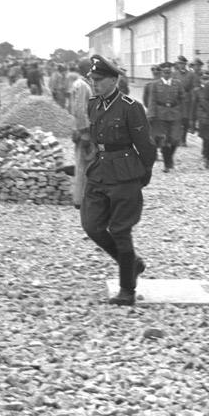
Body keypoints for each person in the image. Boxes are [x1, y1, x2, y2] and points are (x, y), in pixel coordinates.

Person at [81, 55, 157, 307]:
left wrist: (144, 171)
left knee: (120, 231)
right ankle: (132, 263)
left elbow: (145, 144)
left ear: (113, 81)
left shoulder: (130, 107)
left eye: (99, 79)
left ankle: (127, 290)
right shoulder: (93, 104)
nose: (94, 83)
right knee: (92, 226)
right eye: (92, 79)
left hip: (124, 173)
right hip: (99, 170)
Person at [144, 62, 185, 173]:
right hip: (160, 115)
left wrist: (182, 112)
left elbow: (182, 99)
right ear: (161, 73)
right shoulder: (155, 84)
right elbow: (152, 100)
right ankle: (167, 164)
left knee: (175, 139)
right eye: (165, 72)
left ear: (171, 73)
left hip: (175, 114)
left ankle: (169, 157)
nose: (167, 74)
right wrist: (151, 115)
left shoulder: (177, 84)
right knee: (164, 139)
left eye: (169, 72)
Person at [69, 58, 94, 209]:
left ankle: (83, 197)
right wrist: (84, 131)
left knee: (85, 164)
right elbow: (79, 110)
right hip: (84, 130)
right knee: (83, 164)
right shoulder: (82, 85)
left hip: (82, 128)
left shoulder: (83, 84)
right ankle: (79, 199)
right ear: (86, 69)